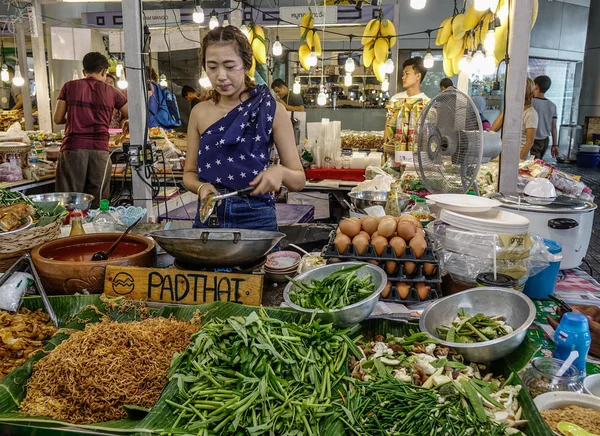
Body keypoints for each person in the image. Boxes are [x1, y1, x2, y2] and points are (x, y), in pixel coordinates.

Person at [183, 26, 305, 231]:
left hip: (257, 217)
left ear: (246, 64)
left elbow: (299, 180)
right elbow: (189, 173)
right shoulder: (199, 113)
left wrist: (280, 172)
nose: (221, 76)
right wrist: (202, 187)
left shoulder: (271, 110)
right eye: (212, 67)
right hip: (210, 215)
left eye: (230, 66)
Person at [53, 52, 128, 208]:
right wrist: (126, 121)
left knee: (69, 202)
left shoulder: (69, 86)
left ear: (83, 71)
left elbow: (58, 118)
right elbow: (133, 115)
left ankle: (72, 231)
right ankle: (96, 231)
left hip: (73, 149)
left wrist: (75, 118)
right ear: (104, 71)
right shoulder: (112, 91)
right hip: (100, 151)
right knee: (98, 201)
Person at [491, 77, 538, 160]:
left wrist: (519, 160)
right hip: (503, 155)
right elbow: (493, 129)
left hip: (519, 156)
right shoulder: (509, 109)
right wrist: (508, 108)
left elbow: (529, 141)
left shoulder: (531, 113)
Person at [532, 75, 558, 160]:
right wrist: (555, 144)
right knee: (537, 165)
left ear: (536, 86)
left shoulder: (530, 103)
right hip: (545, 141)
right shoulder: (552, 105)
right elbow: (553, 127)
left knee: (530, 166)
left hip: (532, 140)